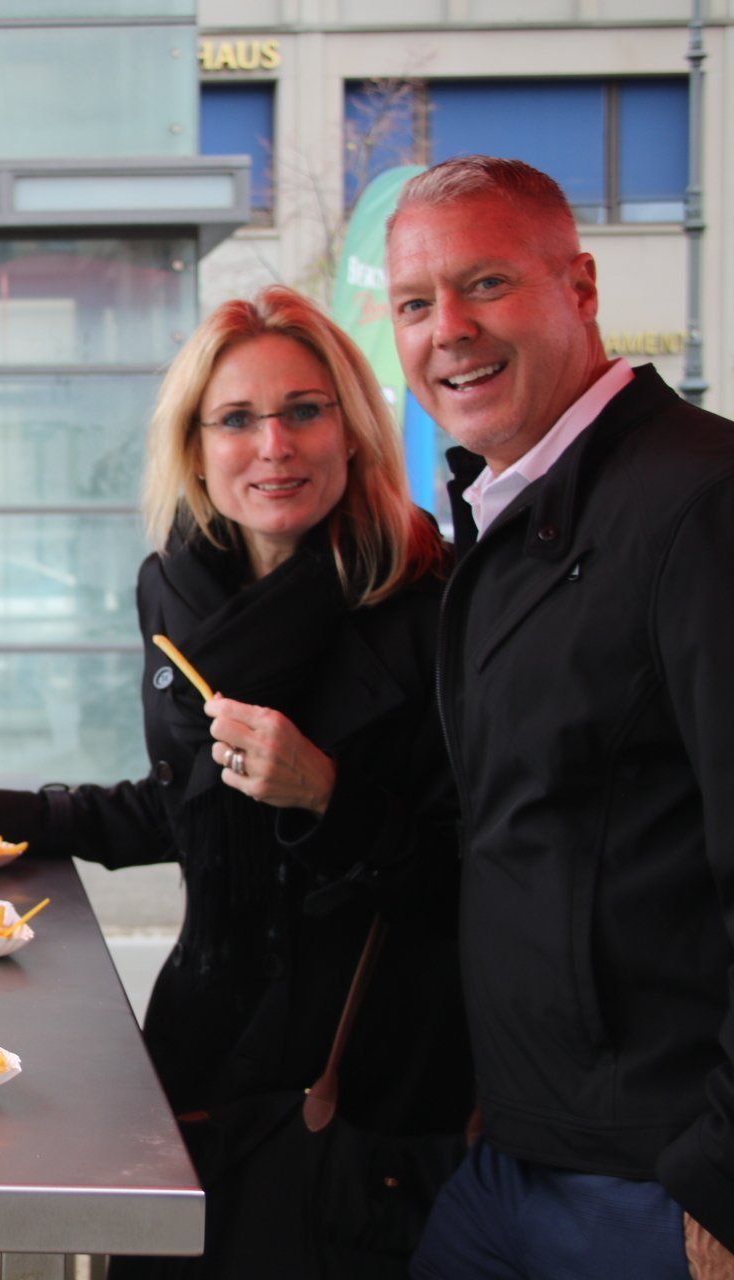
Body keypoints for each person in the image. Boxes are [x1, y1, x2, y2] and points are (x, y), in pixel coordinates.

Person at [0, 286, 471, 1276]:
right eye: (237, 419)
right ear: (196, 445)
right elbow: (186, 805)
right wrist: (0, 810)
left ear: (352, 427)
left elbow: (468, 874)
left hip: (356, 1084)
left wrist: (326, 797)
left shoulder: (426, 595)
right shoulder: (176, 587)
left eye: (304, 410)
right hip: (202, 1045)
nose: (274, 445)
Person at [387, 155, 734, 1280]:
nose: (449, 329)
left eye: (485, 283)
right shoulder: (508, 509)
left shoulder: (700, 501)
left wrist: (722, 1181)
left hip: (656, 1185)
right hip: (514, 1154)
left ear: (579, 287)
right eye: (413, 302)